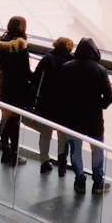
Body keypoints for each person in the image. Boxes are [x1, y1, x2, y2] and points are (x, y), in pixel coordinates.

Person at [58, 37, 112, 195]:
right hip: (94, 119)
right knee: (97, 150)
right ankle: (97, 182)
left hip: (72, 118)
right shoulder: (100, 70)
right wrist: (99, 105)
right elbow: (109, 97)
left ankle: (80, 180)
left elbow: (59, 92)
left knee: (76, 150)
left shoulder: (67, 67)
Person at [0, 15, 32, 166]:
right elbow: (25, 71)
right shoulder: (21, 47)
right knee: (15, 121)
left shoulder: (1, 42)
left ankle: (5, 151)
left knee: (4, 118)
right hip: (17, 89)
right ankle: (14, 154)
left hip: (4, 86)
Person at [32, 36, 74, 174]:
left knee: (45, 133)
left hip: (46, 103)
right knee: (62, 136)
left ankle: (44, 161)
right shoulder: (71, 63)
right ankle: (62, 164)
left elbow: (36, 78)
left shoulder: (47, 59)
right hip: (64, 105)